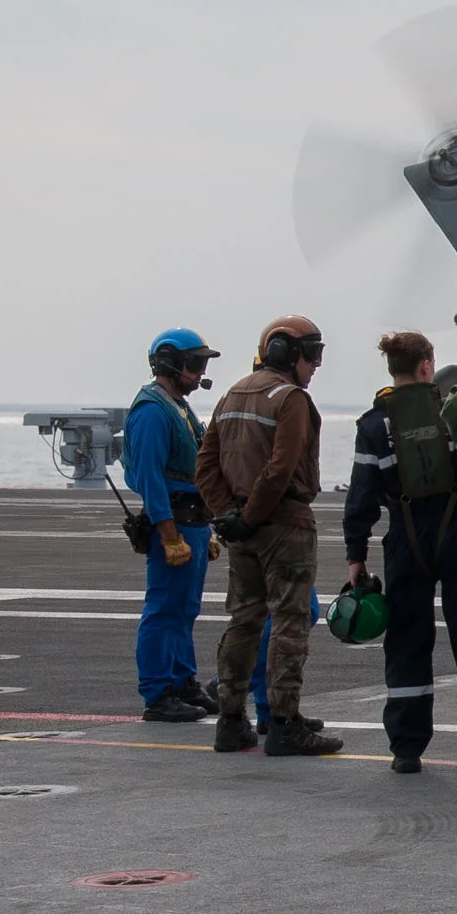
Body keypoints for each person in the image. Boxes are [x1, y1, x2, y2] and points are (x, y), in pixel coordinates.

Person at [341, 332, 457, 774]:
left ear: (391, 367)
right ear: (427, 366)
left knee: (408, 643)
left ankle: (407, 750)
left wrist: (357, 554)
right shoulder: (450, 412)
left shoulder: (373, 425)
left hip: (405, 540)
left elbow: (362, 496)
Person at [193, 315, 345, 757]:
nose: (315, 365)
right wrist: (254, 514)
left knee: (243, 622)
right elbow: (281, 468)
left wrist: (229, 515)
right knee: (289, 624)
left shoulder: (231, 395)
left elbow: (205, 465)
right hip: (284, 526)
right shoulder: (290, 399)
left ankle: (231, 721)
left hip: (242, 530)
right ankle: (283, 723)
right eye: (311, 354)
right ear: (285, 353)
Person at [125, 328, 225, 723]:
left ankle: (183, 682)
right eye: (194, 363)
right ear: (169, 362)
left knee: (185, 610)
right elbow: (150, 478)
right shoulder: (152, 410)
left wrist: (209, 529)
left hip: (193, 523)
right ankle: (157, 692)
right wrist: (168, 534)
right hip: (175, 526)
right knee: (163, 610)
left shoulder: (178, 406)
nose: (200, 371)